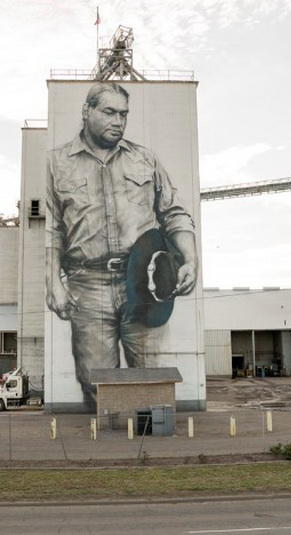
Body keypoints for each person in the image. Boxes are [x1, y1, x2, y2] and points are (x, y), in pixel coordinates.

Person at [46, 82, 198, 408]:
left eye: (124, 114)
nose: (119, 121)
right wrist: (53, 282)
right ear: (86, 112)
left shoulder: (145, 160)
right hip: (87, 286)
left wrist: (191, 258)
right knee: (96, 381)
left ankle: (151, 438)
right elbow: (52, 229)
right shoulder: (57, 163)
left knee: (152, 375)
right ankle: (112, 440)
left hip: (146, 282)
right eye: (110, 112)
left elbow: (174, 213)